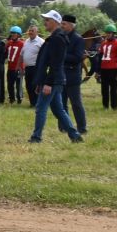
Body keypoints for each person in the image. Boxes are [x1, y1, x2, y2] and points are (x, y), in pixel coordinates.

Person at [27, 11, 81, 144]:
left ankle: (36, 137)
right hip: (54, 79)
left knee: (41, 108)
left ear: (55, 22)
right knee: (58, 110)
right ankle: (75, 135)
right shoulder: (55, 37)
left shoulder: (57, 39)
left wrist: (48, 83)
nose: (44, 22)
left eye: (47, 20)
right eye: (44, 19)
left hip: (53, 80)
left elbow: (56, 63)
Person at [59, 13, 89, 137]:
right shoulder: (61, 37)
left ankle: (82, 128)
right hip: (61, 74)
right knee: (61, 104)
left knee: (76, 103)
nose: (62, 26)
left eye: (64, 24)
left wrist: (61, 55)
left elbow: (77, 57)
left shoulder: (78, 39)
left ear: (71, 25)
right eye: (62, 24)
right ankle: (64, 126)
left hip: (73, 76)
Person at [96, 28, 117, 110]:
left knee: (113, 89)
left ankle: (114, 106)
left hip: (113, 69)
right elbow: (100, 58)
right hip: (103, 69)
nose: (108, 34)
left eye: (109, 33)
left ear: (113, 33)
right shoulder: (103, 43)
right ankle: (105, 106)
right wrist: (97, 71)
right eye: (107, 33)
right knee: (104, 89)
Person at [20, 22, 45, 106]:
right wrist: (20, 66)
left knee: (35, 86)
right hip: (27, 68)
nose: (30, 32)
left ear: (37, 32)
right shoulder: (26, 41)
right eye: (29, 31)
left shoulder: (41, 42)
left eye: (32, 31)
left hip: (36, 68)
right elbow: (22, 54)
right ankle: (32, 103)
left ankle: (38, 103)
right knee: (28, 85)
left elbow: (45, 55)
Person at [4, 25, 26, 104]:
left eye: (15, 33)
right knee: (10, 84)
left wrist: (22, 67)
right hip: (10, 67)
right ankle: (11, 99)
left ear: (19, 34)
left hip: (19, 68)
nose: (13, 34)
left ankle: (19, 99)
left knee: (18, 85)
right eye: (12, 33)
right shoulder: (9, 43)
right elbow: (5, 53)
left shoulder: (22, 44)